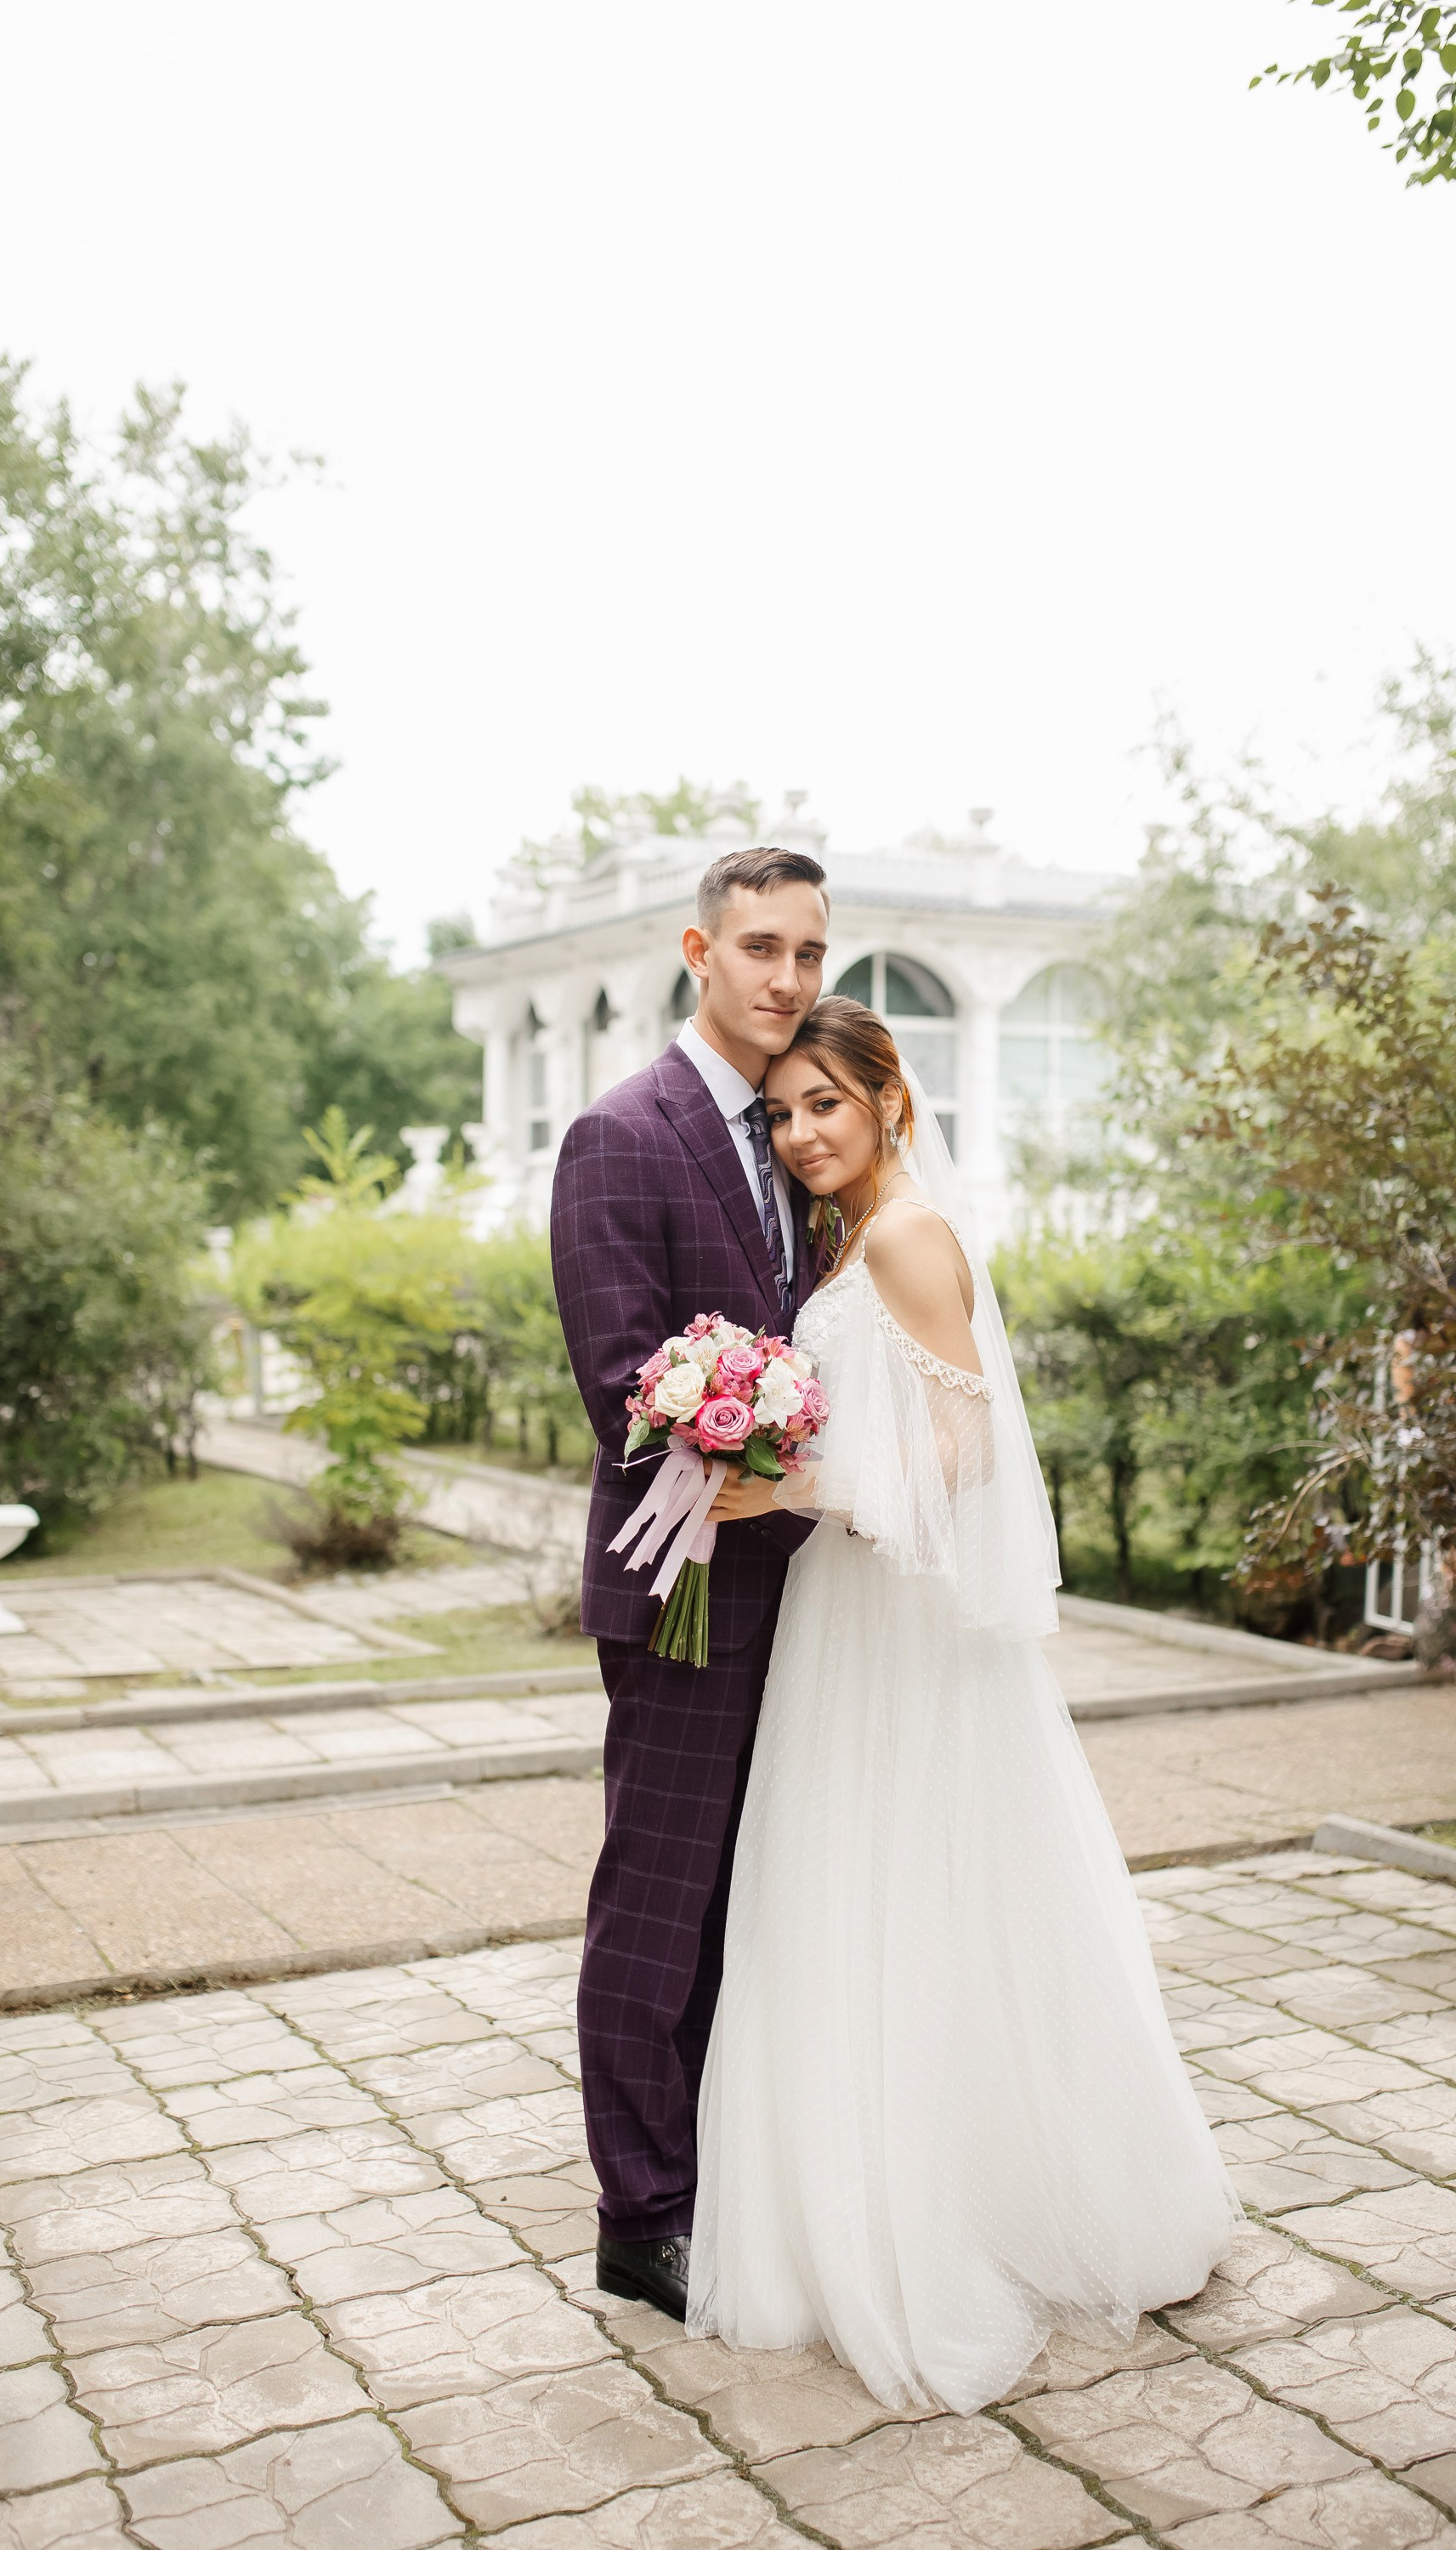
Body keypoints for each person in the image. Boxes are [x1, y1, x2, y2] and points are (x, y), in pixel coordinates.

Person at [687, 995, 1239, 2412]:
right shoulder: (853, 1237)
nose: (807, 1133)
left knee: (918, 1893)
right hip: (848, 1612)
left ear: (888, 1100)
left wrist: (794, 1484)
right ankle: (877, 2195)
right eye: (788, 1111)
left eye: (830, 1104)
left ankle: (983, 2212)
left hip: (905, 1631)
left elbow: (970, 1455)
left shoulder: (907, 1234)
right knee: (854, 1895)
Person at [548, 844, 830, 2322]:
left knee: (756, 1897)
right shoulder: (623, 1134)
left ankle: (730, 2165)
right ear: (696, 951)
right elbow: (623, 1392)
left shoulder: (802, 1136)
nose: (787, 979)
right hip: (681, 1592)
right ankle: (639, 2213)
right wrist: (754, 1443)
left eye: (809, 954)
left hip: (811, 1597)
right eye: (762, 949)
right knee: (658, 1905)